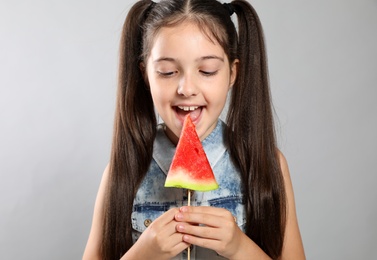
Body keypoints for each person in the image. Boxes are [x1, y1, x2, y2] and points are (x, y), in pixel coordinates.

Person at [83, 0, 305, 259]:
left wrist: (238, 246)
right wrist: (143, 254)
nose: (187, 89)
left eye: (207, 70)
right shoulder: (123, 170)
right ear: (146, 75)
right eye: (167, 72)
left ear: (232, 74)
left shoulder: (268, 164)